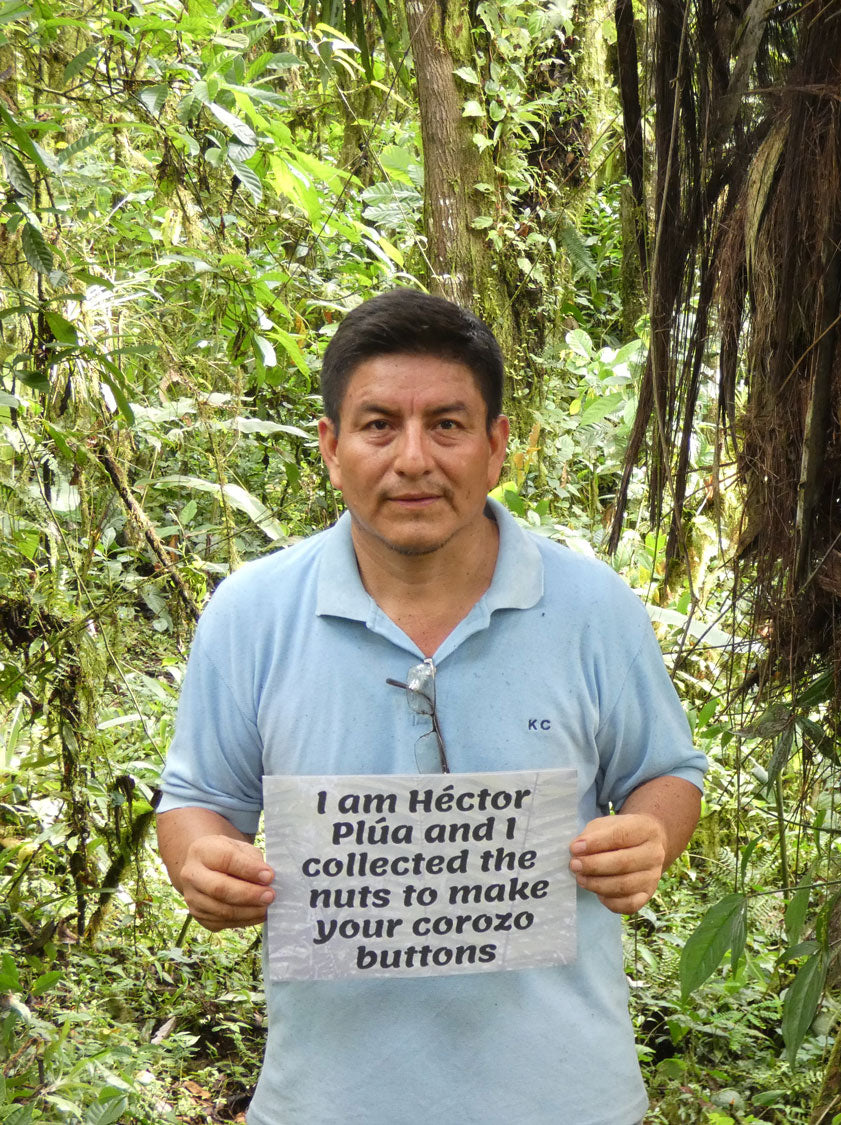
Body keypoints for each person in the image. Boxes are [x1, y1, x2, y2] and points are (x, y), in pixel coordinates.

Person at [155, 289, 708, 1124]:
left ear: (496, 448)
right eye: (380, 425)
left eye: (446, 425)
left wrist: (651, 835)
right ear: (332, 449)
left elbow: (666, 772)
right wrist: (201, 862)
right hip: (327, 1101)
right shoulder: (251, 612)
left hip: (565, 1097)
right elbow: (196, 799)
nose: (413, 458)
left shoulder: (594, 607)